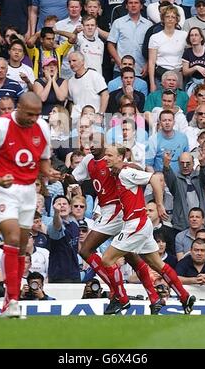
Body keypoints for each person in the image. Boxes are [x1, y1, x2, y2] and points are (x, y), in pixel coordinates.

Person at [0, 92, 62, 317]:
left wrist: (49, 172)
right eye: (29, 114)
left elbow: (43, 161)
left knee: (22, 245)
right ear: (18, 108)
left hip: (28, 190)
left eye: (37, 114)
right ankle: (14, 300)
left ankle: (8, 301)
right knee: (12, 238)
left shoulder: (42, 127)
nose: (34, 119)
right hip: (3, 188)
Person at [71, 133, 165, 313]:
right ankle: (153, 297)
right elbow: (74, 178)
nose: (91, 146)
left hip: (116, 211)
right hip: (107, 211)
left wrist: (126, 165)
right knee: (131, 256)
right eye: (88, 143)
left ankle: (117, 293)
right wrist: (66, 180)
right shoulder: (88, 161)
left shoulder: (114, 162)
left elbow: (135, 169)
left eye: (95, 143)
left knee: (86, 250)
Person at [101, 144, 196, 315]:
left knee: (107, 259)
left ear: (120, 158)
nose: (106, 158)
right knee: (157, 264)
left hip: (135, 224)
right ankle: (184, 296)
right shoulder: (119, 172)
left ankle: (121, 299)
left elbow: (154, 178)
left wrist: (159, 204)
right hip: (140, 224)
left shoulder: (126, 172)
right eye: (105, 154)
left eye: (109, 155)